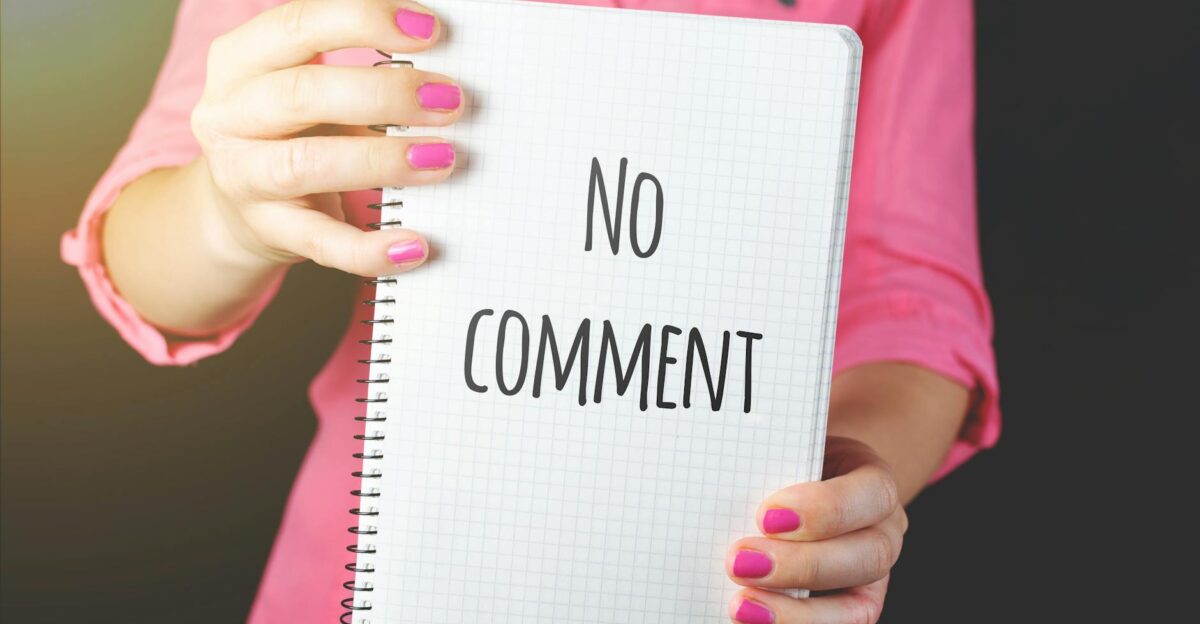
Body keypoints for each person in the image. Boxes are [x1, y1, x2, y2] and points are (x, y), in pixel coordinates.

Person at [60, 1, 999, 622]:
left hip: (713, 579)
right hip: (365, 574)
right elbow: (144, 252)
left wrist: (832, 505)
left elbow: (911, 292)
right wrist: (229, 208)